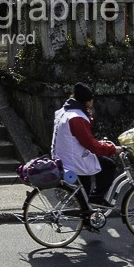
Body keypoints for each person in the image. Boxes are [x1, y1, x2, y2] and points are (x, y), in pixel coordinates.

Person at [51, 82, 122, 223]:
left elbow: (81, 138)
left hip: (62, 156)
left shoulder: (65, 111)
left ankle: (87, 220)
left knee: (84, 188)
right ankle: (97, 198)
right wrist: (113, 149)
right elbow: (90, 145)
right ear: (87, 101)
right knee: (108, 165)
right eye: (91, 100)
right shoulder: (77, 117)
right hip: (73, 159)